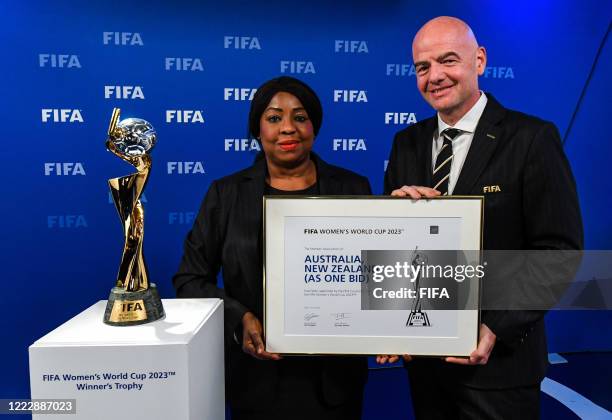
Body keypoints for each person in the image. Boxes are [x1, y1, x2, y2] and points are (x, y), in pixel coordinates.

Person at [380, 16, 583, 419]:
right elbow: (397, 253)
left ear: (480, 60)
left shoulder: (532, 139)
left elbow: (558, 251)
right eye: (423, 67)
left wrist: (496, 327)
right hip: (425, 363)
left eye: (447, 61)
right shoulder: (406, 143)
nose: (434, 76)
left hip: (501, 366)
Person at [173, 76, 370, 420]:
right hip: (256, 380)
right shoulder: (226, 194)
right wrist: (240, 317)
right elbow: (189, 280)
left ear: (314, 126)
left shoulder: (353, 187)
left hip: (335, 382)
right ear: (258, 128)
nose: (288, 128)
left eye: (300, 117)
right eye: (274, 118)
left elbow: (377, 271)